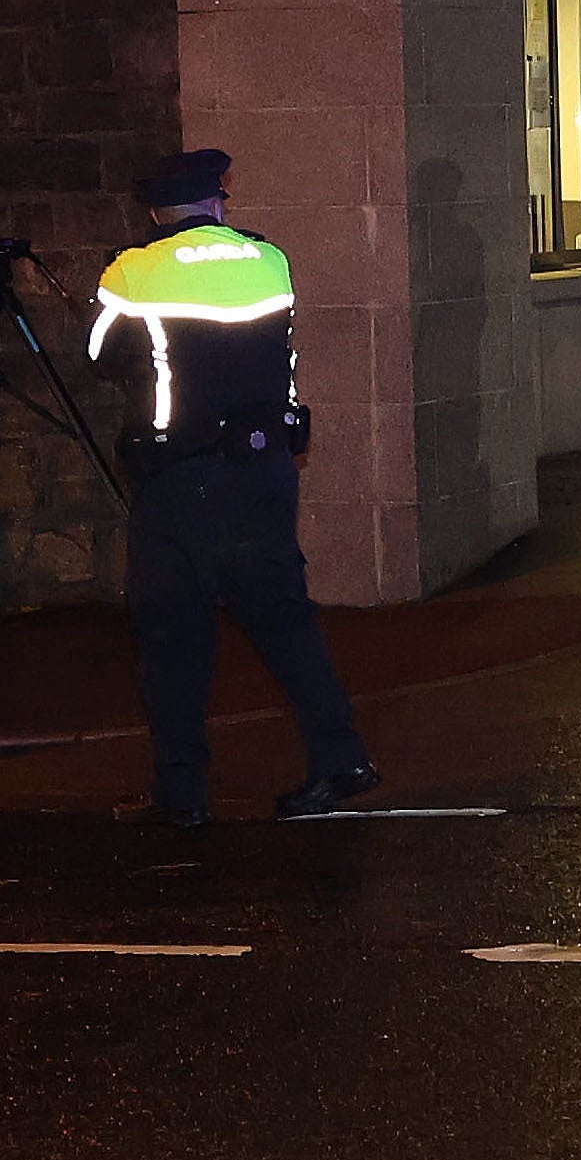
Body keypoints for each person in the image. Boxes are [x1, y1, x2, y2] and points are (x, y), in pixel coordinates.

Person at [88, 148, 377, 827]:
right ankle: (341, 757)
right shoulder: (267, 260)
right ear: (219, 200)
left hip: (181, 480)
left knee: (174, 636)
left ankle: (183, 794)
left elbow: (99, 354)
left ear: (157, 211)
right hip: (264, 468)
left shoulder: (132, 271)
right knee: (285, 620)